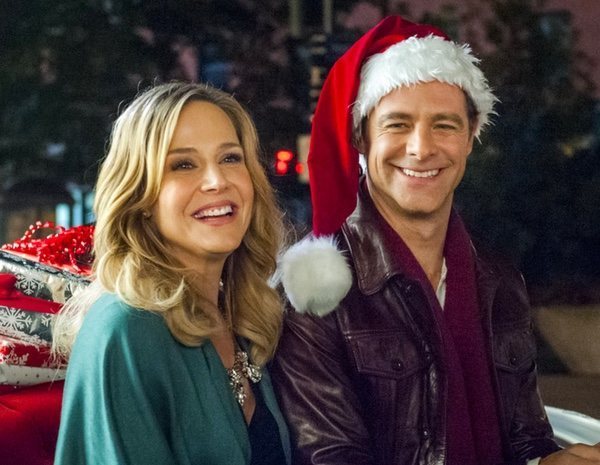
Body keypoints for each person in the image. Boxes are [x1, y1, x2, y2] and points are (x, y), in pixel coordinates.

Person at [272, 16, 600, 465]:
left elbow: (525, 439)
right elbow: (331, 457)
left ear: (471, 136)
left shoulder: (500, 280)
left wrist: (549, 460)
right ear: (361, 138)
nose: (422, 148)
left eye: (444, 125)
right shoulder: (313, 297)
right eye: (397, 125)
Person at [52, 82, 291, 465]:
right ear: (141, 197)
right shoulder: (125, 330)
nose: (217, 181)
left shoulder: (247, 318)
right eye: (183, 165)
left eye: (230, 158)